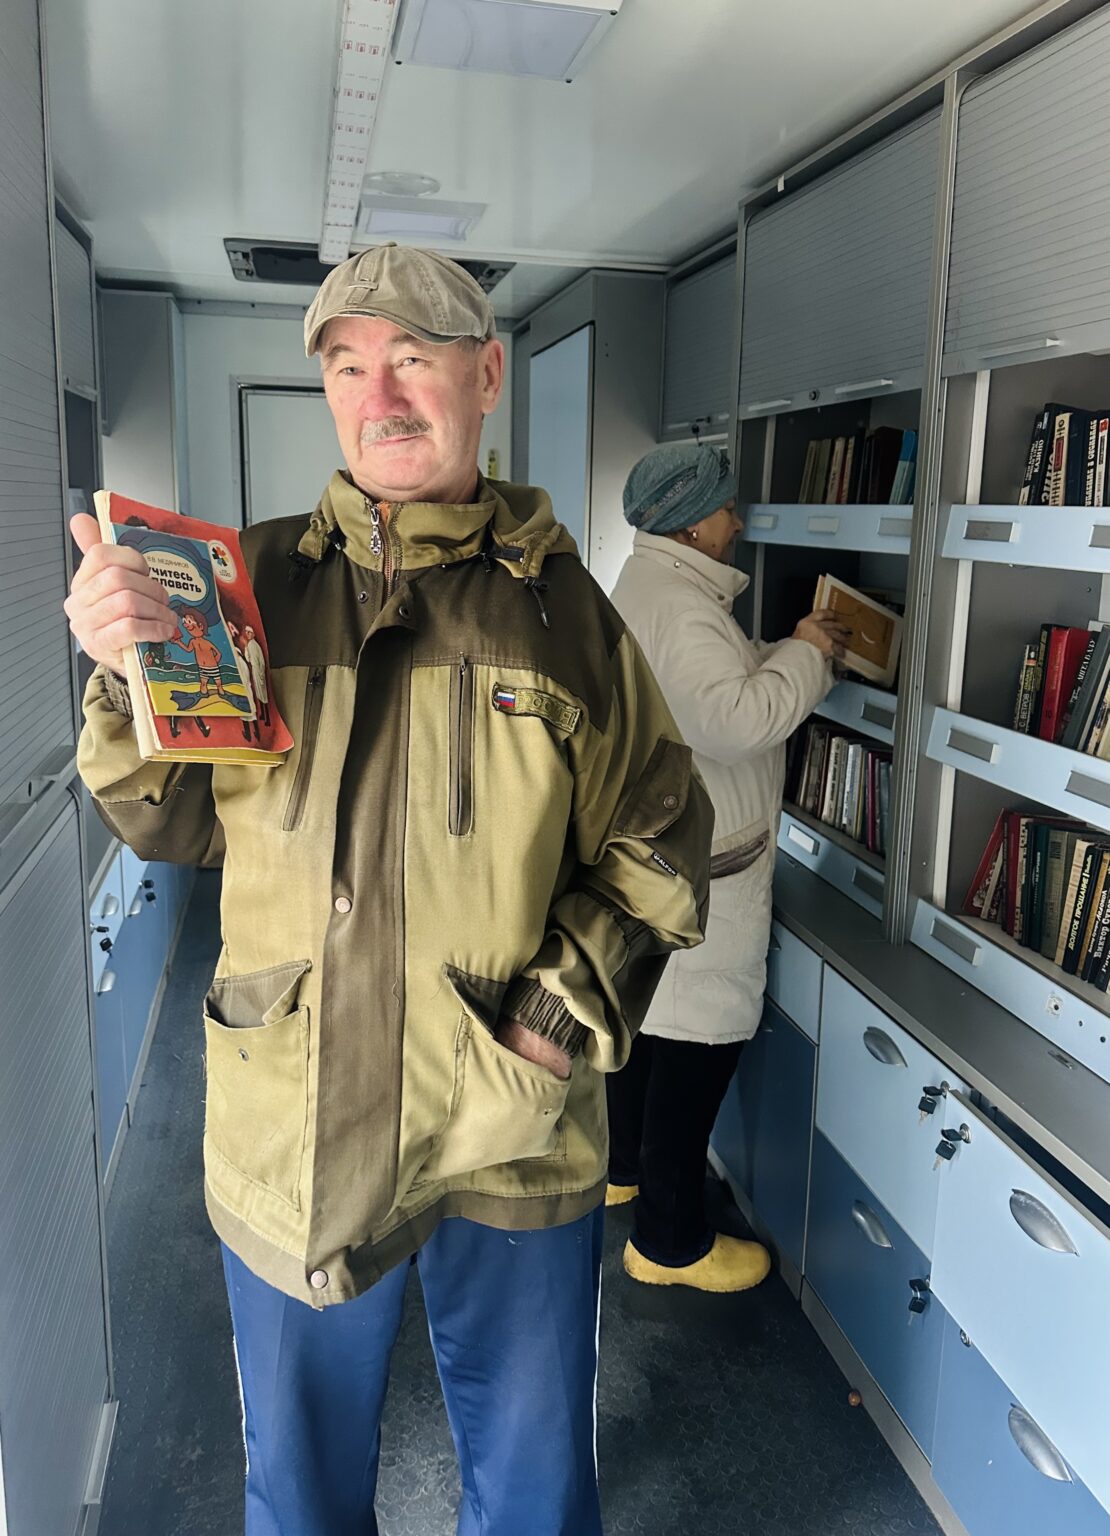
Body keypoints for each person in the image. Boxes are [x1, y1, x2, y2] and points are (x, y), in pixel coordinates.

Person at [66, 243, 714, 1536]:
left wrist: (550, 1022)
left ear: (485, 378)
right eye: (349, 367)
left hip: (510, 1122)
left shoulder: (565, 615)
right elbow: (173, 824)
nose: (382, 395)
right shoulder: (243, 590)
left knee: (534, 1494)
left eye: (414, 358)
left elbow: (660, 842)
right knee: (298, 1494)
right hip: (294, 1117)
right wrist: (125, 679)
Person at [606, 442, 847, 1294]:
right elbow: (738, 722)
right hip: (707, 868)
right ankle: (669, 1245)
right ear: (689, 523)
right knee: (697, 1048)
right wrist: (808, 653)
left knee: (648, 1030)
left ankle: (621, 1171)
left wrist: (778, 651)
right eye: (726, 508)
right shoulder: (682, 607)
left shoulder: (655, 584)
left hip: (668, 851)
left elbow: (707, 691)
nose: (738, 522)